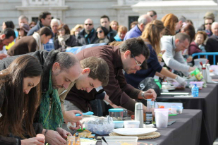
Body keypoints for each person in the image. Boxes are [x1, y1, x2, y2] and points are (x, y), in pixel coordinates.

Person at [0, 50, 83, 144]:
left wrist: (48, 130)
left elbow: (17, 120)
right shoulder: (30, 73)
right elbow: (11, 122)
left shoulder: (31, 81)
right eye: (66, 79)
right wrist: (21, 143)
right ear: (56, 67)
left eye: (70, 82)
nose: (66, 86)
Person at [66, 38, 157, 113]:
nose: (137, 68)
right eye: (137, 63)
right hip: (70, 98)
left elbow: (123, 86)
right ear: (127, 54)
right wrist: (145, 110)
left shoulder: (114, 57)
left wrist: (143, 94)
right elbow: (116, 94)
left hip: (82, 100)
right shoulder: (104, 58)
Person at [125, 20, 186, 88]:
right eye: (161, 34)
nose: (161, 36)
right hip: (136, 82)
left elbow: (149, 67)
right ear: (156, 34)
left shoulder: (142, 42)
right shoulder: (148, 47)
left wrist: (167, 76)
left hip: (132, 80)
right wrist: (176, 77)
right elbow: (158, 68)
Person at [0, 55, 45, 145]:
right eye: (29, 84)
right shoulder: (1, 88)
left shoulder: (11, 90)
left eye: (32, 87)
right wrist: (20, 143)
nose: (27, 92)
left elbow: (15, 123)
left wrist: (41, 131)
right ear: (20, 74)